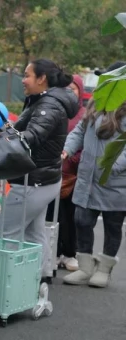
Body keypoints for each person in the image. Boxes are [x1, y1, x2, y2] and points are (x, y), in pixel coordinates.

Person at [0, 59, 79, 282]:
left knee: (5, 235)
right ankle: (39, 279)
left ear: (42, 78)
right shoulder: (44, 100)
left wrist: (1, 142)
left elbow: (31, 136)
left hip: (33, 181)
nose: (23, 80)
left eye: (27, 75)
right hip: (45, 179)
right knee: (34, 233)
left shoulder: (48, 106)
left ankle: (5, 287)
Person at [61, 97, 126, 288]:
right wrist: (66, 150)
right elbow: (79, 132)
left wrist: (114, 166)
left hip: (115, 183)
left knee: (112, 226)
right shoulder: (95, 107)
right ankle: (85, 267)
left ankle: (104, 269)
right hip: (87, 180)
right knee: (81, 221)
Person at [46, 74, 86, 272]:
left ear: (80, 90)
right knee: (53, 216)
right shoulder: (58, 110)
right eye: (67, 88)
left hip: (74, 176)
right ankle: (52, 253)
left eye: (74, 88)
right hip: (54, 172)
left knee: (71, 217)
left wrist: (71, 159)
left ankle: (70, 253)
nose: (70, 91)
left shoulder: (84, 114)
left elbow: (83, 143)